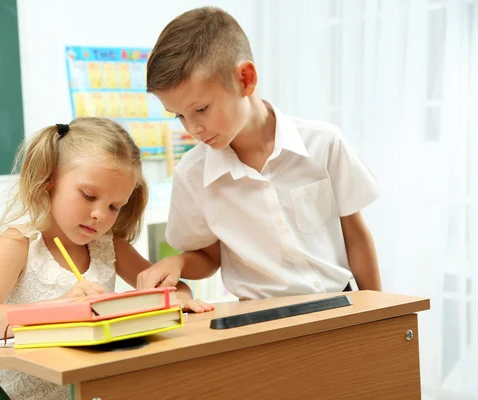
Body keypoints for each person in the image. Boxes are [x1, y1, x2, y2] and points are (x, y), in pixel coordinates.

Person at [0, 117, 214, 400]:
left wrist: (176, 300)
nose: (100, 216)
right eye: (88, 196)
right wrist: (56, 309)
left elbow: (170, 287)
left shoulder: (108, 246)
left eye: (115, 206)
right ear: (50, 180)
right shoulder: (20, 244)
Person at [136, 6, 382, 300]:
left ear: (245, 79)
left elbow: (355, 238)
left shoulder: (323, 144)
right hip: (257, 321)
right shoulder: (192, 175)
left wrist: (382, 315)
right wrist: (177, 261)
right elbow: (208, 256)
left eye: (201, 109)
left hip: (340, 308)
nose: (193, 129)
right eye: (179, 116)